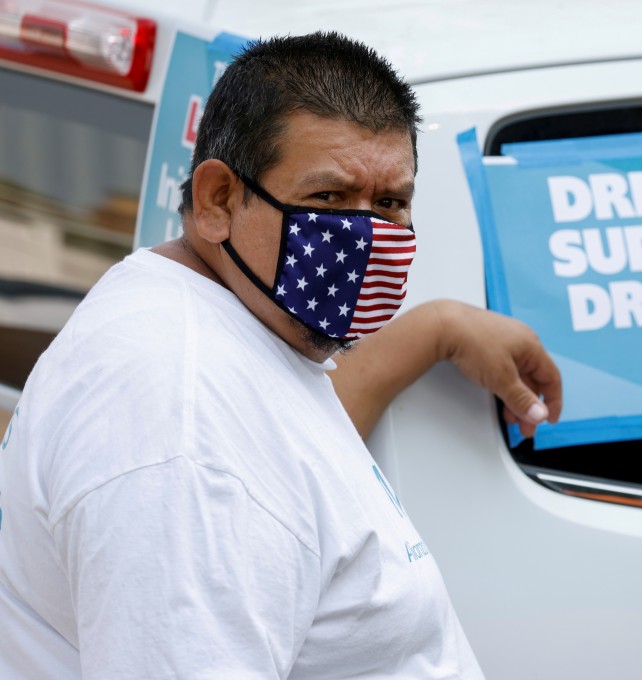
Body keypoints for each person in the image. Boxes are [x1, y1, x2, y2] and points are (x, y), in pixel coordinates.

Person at [0, 31, 561, 679]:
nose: (367, 238)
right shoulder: (182, 435)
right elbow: (227, 472)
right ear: (218, 201)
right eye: (327, 199)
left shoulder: (229, 323)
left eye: (390, 203)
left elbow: (281, 466)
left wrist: (437, 329)